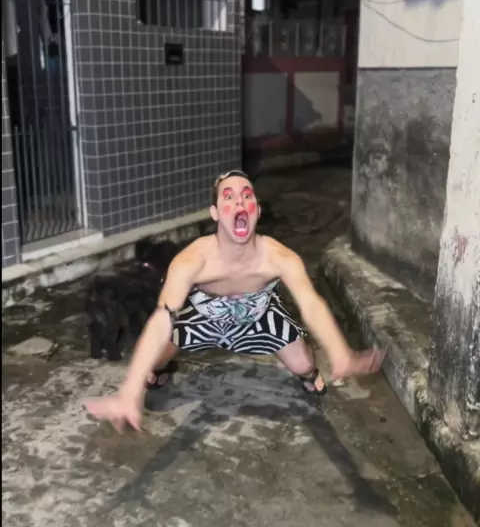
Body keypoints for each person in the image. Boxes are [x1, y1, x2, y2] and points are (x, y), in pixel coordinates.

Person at [85, 170, 384, 433]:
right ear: (215, 213)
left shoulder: (278, 256)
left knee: (304, 364)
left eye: (247, 195)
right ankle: (162, 369)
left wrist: (340, 353)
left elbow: (311, 303)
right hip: (203, 316)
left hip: (258, 314)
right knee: (152, 359)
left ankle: (309, 375)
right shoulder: (192, 260)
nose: (239, 202)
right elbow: (162, 318)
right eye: (228, 197)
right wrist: (130, 390)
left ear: (257, 210)